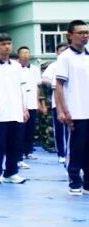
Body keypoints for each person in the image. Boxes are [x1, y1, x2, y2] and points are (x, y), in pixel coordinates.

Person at [0, 33, 29, 185]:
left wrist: (25, 108)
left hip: (16, 111)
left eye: (9, 43)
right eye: (3, 44)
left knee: (15, 144)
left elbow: (22, 88)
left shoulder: (16, 66)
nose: (7, 47)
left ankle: (11, 173)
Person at [52, 20, 89, 194]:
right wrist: (62, 110)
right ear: (70, 35)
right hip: (75, 111)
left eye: (86, 32)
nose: (85, 35)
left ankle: (88, 183)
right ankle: (74, 181)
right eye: (80, 32)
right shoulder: (65, 57)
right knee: (76, 148)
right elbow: (59, 86)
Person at [44, 43, 71, 165]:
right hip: (58, 102)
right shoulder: (54, 66)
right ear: (57, 52)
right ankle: (61, 153)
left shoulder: (73, 64)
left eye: (66, 50)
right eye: (61, 51)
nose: (63, 53)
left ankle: (72, 154)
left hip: (73, 103)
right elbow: (45, 79)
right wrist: (55, 84)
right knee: (60, 130)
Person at [16, 46, 44, 164]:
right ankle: (19, 153)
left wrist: (38, 101)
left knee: (30, 129)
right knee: (20, 129)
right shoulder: (15, 68)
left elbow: (37, 86)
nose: (25, 55)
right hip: (20, 103)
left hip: (32, 101)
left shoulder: (34, 69)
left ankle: (28, 152)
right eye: (23, 53)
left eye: (27, 52)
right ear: (19, 55)